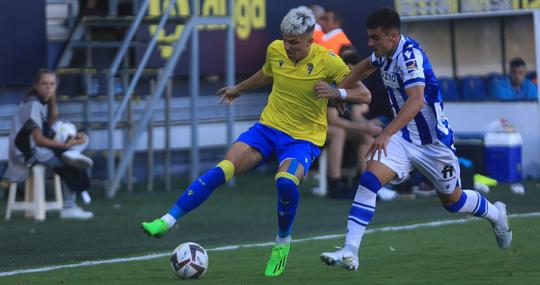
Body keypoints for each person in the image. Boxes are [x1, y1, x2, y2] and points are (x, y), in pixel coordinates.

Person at [141, 6, 371, 277]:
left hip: (302, 139)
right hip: (267, 128)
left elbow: (363, 94)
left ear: (310, 39)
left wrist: (336, 92)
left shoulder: (328, 61)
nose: (287, 47)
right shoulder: (276, 50)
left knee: (285, 181)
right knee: (224, 168)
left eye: (294, 42)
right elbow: (266, 73)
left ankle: (282, 243)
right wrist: (238, 89)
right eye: (285, 40)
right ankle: (166, 221)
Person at [320, 8, 512, 271]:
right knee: (368, 179)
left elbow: (417, 100)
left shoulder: (409, 56)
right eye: (370, 37)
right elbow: (364, 67)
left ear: (393, 35)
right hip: (403, 137)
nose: (370, 43)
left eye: (375, 38)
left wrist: (385, 133)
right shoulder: (383, 52)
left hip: (433, 144)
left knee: (453, 202)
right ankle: (350, 250)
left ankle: (496, 214)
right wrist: (340, 93)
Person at [5, 69, 94, 219]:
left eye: (52, 84)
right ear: (36, 85)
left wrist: (52, 98)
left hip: (36, 148)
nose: (48, 87)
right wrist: (65, 146)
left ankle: (71, 152)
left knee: (79, 138)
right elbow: (39, 139)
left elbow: (52, 119)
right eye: (44, 84)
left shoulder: (40, 101)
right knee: (71, 163)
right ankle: (68, 208)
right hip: (27, 153)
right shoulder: (33, 103)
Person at [325, 49, 383, 198]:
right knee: (339, 132)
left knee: (366, 136)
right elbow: (333, 119)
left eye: (353, 70)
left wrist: (368, 125)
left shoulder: (358, 87)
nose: (351, 74)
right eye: (348, 70)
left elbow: (358, 112)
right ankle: (335, 183)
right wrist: (363, 126)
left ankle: (363, 184)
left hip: (339, 126)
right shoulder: (334, 85)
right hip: (316, 125)